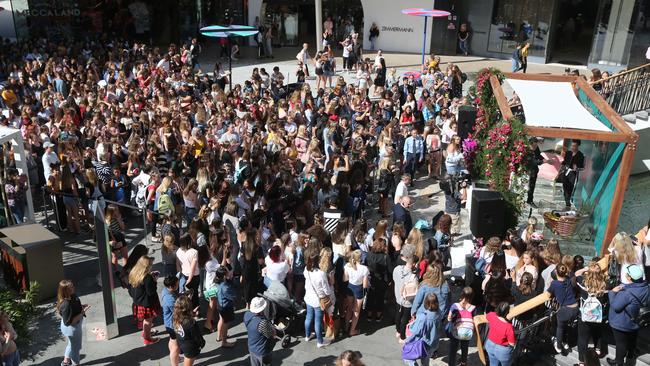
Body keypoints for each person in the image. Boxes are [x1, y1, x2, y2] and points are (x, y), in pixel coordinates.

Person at [607, 264, 650, 366]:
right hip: (637, 320)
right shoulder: (647, 287)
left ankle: (618, 362)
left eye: (627, 273)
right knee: (632, 338)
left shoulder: (626, 293)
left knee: (621, 343)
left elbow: (616, 306)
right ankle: (631, 353)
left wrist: (612, 292)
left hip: (622, 323)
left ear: (629, 277)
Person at [574, 261, 608, 366]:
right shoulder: (605, 284)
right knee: (597, 332)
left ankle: (581, 360)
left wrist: (586, 269)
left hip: (584, 316)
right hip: (598, 316)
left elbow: (576, 274)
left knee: (582, 338)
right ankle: (597, 349)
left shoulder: (583, 283)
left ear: (589, 272)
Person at [303, 246, 332, 348]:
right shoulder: (321, 274)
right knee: (318, 321)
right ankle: (320, 341)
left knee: (309, 317)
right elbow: (326, 289)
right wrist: (329, 296)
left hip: (308, 297)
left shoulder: (306, 270)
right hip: (318, 301)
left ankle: (307, 336)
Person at [129, 256, 161, 345]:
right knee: (148, 320)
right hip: (146, 303)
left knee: (145, 320)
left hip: (138, 302)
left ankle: (145, 333)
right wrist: (154, 281)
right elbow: (151, 292)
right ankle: (147, 339)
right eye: (150, 264)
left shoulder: (133, 273)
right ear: (146, 266)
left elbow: (130, 289)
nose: (152, 266)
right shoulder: (147, 278)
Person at [546, 263, 578, 353]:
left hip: (566, 310)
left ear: (556, 271)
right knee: (567, 326)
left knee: (560, 327)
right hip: (575, 308)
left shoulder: (554, 283)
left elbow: (548, 295)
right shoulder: (568, 280)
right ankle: (565, 343)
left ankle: (559, 347)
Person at [402, 293, 441, 366]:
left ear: (426, 302)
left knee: (407, 358)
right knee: (425, 361)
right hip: (433, 343)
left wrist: (411, 325)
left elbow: (415, 331)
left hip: (423, 343)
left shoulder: (423, 317)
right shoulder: (439, 313)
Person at [58, 280, 88, 366]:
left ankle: (66, 362)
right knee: (75, 349)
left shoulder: (72, 296)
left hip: (72, 327)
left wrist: (81, 307)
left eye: (72, 286)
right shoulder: (66, 304)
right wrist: (82, 313)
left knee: (71, 344)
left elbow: (73, 308)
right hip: (72, 329)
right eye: (71, 287)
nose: (73, 288)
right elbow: (70, 322)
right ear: (65, 291)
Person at [393, 244, 418, 343]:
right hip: (408, 301)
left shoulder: (397, 269)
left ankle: (398, 331)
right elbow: (416, 289)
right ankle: (402, 337)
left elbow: (395, 280)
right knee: (405, 318)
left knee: (398, 314)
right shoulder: (413, 276)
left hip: (398, 297)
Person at [447, 287, 476, 366]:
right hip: (467, 332)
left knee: (453, 349)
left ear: (461, 294)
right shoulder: (473, 308)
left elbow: (449, 318)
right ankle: (463, 362)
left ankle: (451, 363)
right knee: (465, 347)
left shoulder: (455, 306)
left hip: (456, 331)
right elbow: (473, 319)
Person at [174, 295, 205, 366]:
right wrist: (201, 343)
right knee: (189, 359)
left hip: (182, 342)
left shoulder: (176, 316)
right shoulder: (191, 322)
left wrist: (192, 314)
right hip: (190, 346)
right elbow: (196, 336)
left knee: (188, 358)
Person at [343, 250, 369, 336]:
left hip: (350, 287)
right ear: (360, 258)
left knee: (349, 308)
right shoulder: (364, 269)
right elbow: (365, 285)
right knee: (356, 311)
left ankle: (346, 326)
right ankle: (352, 330)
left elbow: (345, 279)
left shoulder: (347, 266)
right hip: (359, 289)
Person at [244, 297, 275, 366]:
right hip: (262, 351)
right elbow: (271, 334)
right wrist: (273, 329)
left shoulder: (247, 314)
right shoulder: (262, 323)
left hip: (252, 347)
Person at [485, 302, 515, 366]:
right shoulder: (509, 327)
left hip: (489, 345)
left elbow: (486, 317)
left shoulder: (491, 315)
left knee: (493, 364)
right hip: (502, 351)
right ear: (507, 312)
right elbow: (512, 343)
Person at [215, 266, 237, 348]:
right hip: (226, 307)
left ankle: (219, 336)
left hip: (220, 304)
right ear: (224, 276)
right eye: (228, 272)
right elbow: (233, 296)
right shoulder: (226, 287)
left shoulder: (219, 283)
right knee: (226, 324)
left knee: (222, 320)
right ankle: (224, 342)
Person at [161, 275, 181, 366]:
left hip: (169, 323)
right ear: (171, 286)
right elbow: (178, 311)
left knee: (172, 341)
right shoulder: (170, 298)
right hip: (172, 325)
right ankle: (174, 363)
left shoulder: (166, 290)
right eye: (177, 284)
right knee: (175, 347)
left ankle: (176, 357)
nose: (178, 285)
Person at [561, 139, 585, 208]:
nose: (572, 147)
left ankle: (568, 202)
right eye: (572, 146)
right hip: (566, 172)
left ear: (577, 146)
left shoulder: (580, 155)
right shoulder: (568, 153)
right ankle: (567, 201)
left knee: (570, 188)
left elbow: (582, 167)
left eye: (574, 146)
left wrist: (577, 168)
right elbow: (564, 162)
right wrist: (562, 165)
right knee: (564, 186)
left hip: (573, 174)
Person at [526, 137, 545, 207]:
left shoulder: (536, 148)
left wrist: (544, 159)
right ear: (530, 144)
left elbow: (538, 155)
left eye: (536, 145)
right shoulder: (526, 151)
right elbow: (532, 162)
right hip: (527, 170)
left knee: (532, 186)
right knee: (525, 187)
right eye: (534, 146)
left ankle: (530, 200)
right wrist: (542, 161)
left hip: (533, 171)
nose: (535, 147)